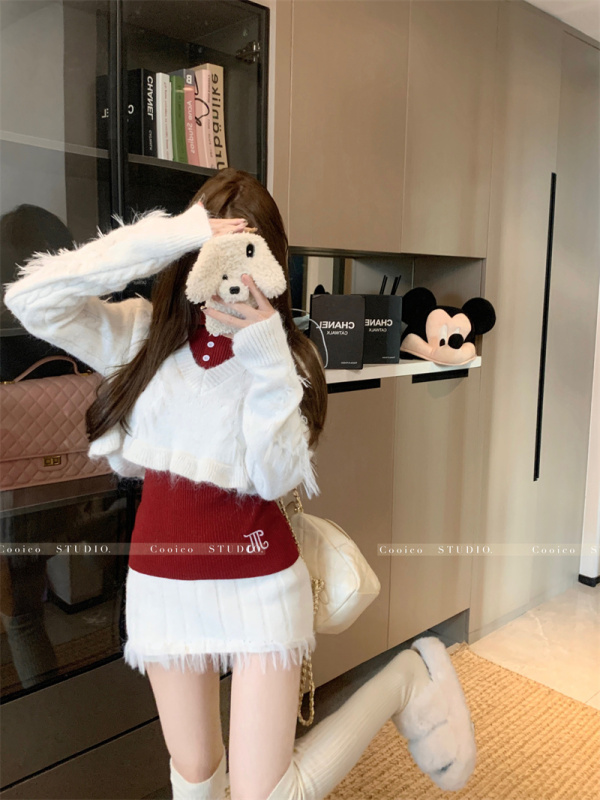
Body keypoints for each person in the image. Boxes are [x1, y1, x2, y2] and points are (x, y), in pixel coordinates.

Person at [3, 168, 477, 800]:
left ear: (273, 264)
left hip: (260, 582)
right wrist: (172, 235)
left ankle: (406, 680)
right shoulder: (141, 333)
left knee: (267, 794)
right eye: (216, 250)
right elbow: (31, 298)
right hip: (164, 589)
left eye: (248, 253)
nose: (231, 271)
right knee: (196, 779)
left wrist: (264, 349)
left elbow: (275, 475)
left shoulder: (288, 356)